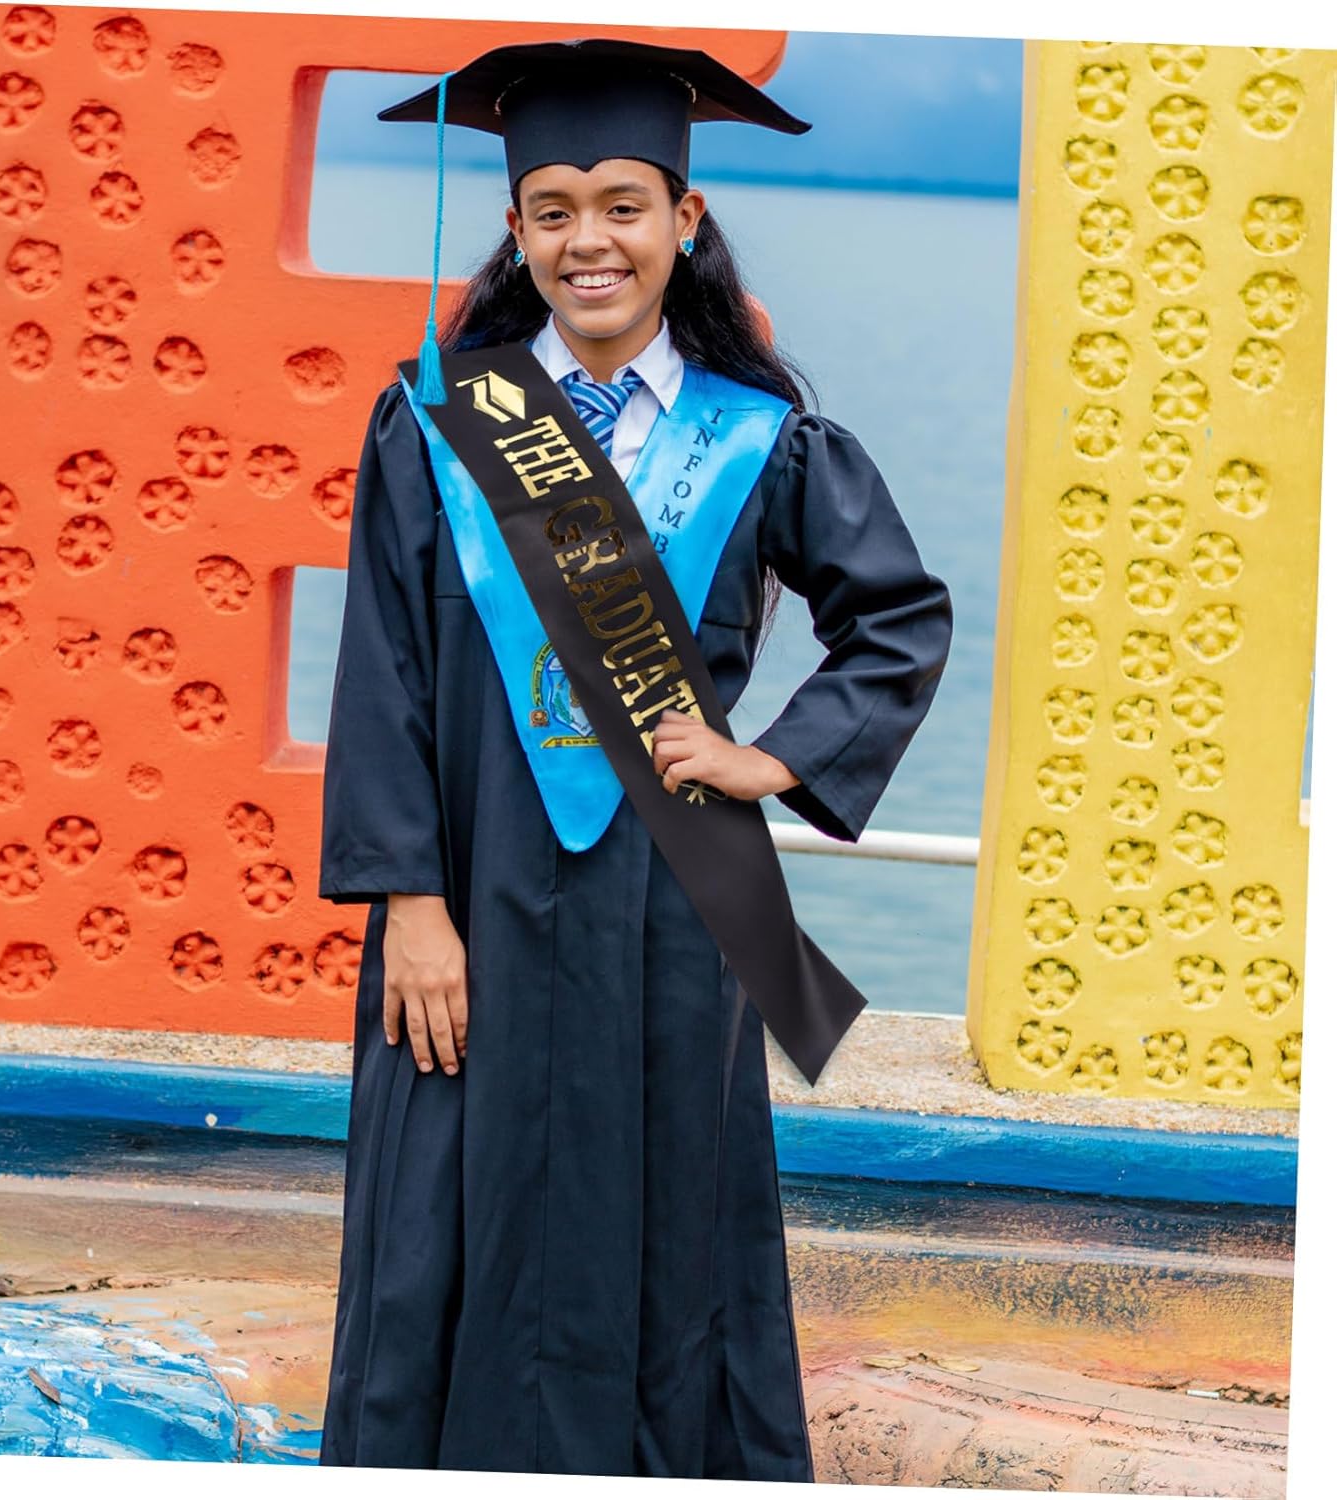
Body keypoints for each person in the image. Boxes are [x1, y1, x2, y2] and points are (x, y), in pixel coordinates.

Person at [316, 38, 952, 1479]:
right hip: (469, 897)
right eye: (553, 210)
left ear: (684, 217)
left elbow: (897, 618)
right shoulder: (439, 423)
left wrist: (773, 760)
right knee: (446, 1211)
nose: (587, 240)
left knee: (667, 1211)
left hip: (670, 905)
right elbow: (383, 671)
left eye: (622, 205)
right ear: (515, 229)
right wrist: (409, 904)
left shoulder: (761, 439)